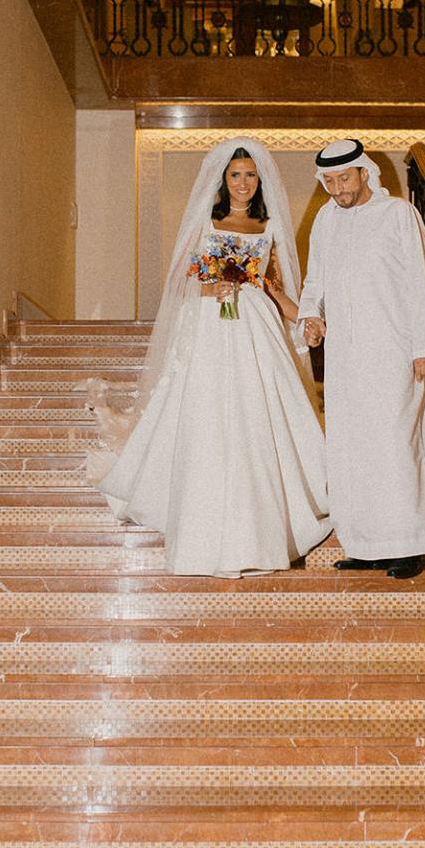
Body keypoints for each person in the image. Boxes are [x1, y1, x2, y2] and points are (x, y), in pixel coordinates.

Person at [100, 139, 331, 576]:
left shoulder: (269, 228)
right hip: (212, 325)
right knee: (210, 418)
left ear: (259, 181)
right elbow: (183, 283)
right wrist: (214, 288)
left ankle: (260, 533)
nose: (243, 183)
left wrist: (308, 318)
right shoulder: (207, 222)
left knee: (256, 417)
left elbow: (274, 287)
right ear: (223, 182)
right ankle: (202, 530)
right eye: (235, 175)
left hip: (257, 327)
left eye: (250, 175)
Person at [298, 137, 425, 579]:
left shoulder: (399, 213)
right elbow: (315, 279)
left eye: (345, 178)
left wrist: (423, 346)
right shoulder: (326, 218)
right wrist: (311, 316)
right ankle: (364, 544)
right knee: (351, 446)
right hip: (345, 356)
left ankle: (407, 546)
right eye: (329, 181)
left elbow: (421, 282)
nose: (338, 188)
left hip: (394, 350)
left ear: (365, 172)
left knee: (395, 444)